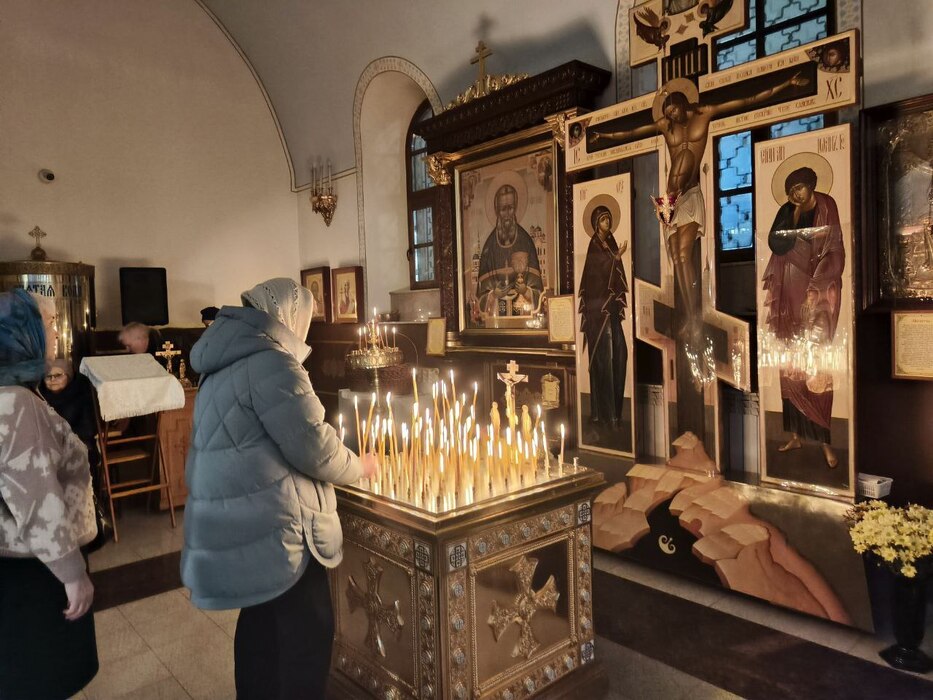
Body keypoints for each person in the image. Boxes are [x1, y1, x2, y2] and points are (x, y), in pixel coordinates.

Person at [181, 277, 378, 699]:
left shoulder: (224, 358)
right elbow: (315, 448)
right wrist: (360, 465)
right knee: (305, 632)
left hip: (239, 519)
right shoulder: (273, 363)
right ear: (289, 317)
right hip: (279, 527)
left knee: (260, 625)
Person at [589, 73, 808, 337]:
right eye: (668, 113)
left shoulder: (703, 113)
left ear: (683, 102)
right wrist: (604, 135)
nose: (672, 115)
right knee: (675, 258)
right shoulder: (666, 126)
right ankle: (687, 312)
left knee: (684, 255)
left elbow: (745, 99)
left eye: (674, 109)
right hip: (670, 202)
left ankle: (694, 315)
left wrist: (786, 83)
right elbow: (633, 131)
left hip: (691, 194)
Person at [0, 289, 98, 699]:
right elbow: (37, 497)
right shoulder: (18, 402)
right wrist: (73, 574)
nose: (56, 332)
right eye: (48, 323)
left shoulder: (11, 391)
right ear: (23, 332)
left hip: (19, 560)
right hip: (36, 568)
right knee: (43, 677)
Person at [761, 166, 845, 468]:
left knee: (816, 365)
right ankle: (795, 435)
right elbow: (775, 243)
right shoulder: (787, 210)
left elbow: (834, 249)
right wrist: (793, 215)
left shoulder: (827, 205)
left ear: (811, 184)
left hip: (816, 292)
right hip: (789, 293)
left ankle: (824, 442)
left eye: (800, 187)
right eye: (791, 190)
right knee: (790, 365)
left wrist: (816, 286)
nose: (796, 193)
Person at [578, 205, 629, 427]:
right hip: (598, 315)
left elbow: (616, 275)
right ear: (596, 224)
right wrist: (615, 258)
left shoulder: (611, 242)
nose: (607, 223)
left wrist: (615, 257)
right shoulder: (594, 245)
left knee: (620, 353)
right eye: (603, 220)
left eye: (608, 219)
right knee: (604, 360)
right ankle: (604, 414)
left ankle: (615, 412)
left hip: (611, 311)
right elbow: (594, 277)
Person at [476, 184, 544, 318]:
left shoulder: (526, 241)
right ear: (497, 210)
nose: (507, 214)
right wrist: (493, 295)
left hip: (524, 315)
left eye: (510, 208)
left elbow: (538, 290)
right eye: (503, 209)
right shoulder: (489, 246)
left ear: (515, 208)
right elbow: (481, 294)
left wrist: (526, 291)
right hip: (496, 316)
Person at [39, 358, 101, 494]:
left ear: (69, 376)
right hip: (48, 449)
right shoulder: (39, 396)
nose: (52, 380)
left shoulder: (81, 390)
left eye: (58, 375)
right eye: (48, 376)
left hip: (79, 445)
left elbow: (88, 428)